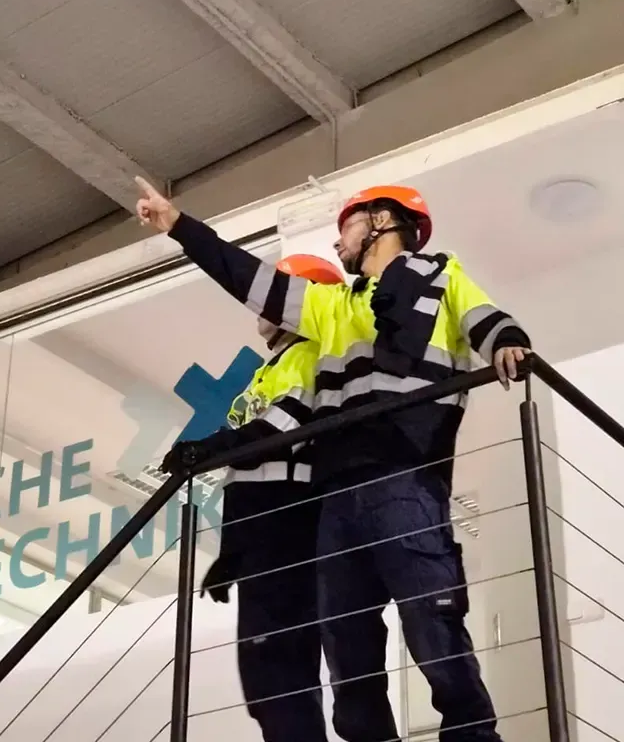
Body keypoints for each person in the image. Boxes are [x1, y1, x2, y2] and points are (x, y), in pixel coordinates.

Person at [135, 177, 531, 742]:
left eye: (346, 222)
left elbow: (486, 319)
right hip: (338, 494)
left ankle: (472, 735)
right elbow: (248, 278)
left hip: (407, 477)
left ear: (381, 222)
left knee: (430, 615)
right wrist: (179, 226)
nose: (337, 238)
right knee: (346, 637)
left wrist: (509, 343)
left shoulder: (443, 275)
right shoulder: (329, 307)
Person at [161, 253, 344, 742]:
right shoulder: (271, 368)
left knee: (281, 671)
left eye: (274, 295)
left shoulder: (310, 356)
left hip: (289, 531)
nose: (260, 307)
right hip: (265, 534)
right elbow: (256, 468)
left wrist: (209, 446)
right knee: (265, 678)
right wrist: (235, 554)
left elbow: (278, 431)